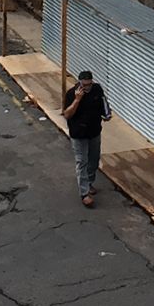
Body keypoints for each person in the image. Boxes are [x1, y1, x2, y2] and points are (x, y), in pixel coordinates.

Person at [61, 70, 106, 207]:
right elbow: (67, 114)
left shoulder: (97, 89)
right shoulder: (71, 94)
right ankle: (84, 193)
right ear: (79, 83)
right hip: (79, 133)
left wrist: (106, 114)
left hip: (94, 131)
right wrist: (77, 100)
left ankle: (89, 182)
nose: (87, 88)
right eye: (84, 85)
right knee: (82, 161)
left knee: (94, 159)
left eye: (89, 84)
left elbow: (103, 103)